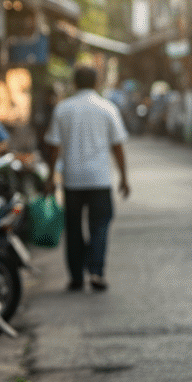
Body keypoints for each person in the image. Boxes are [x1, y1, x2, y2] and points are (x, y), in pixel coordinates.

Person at [44, 64, 129, 292]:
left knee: (72, 228)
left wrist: (51, 177)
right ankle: (96, 271)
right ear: (97, 83)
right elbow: (118, 146)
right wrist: (124, 177)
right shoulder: (107, 108)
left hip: (72, 180)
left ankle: (76, 277)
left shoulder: (63, 109)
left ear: (74, 83)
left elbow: (53, 147)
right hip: (100, 179)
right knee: (100, 226)